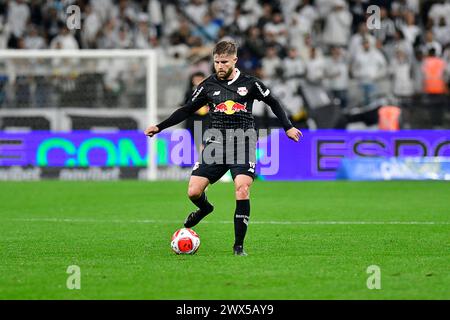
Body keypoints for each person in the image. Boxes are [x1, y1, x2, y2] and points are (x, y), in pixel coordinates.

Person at [144, 40, 302, 256]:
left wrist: (288, 127)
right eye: (216, 61)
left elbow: (273, 102)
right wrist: (159, 127)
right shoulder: (207, 86)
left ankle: (238, 246)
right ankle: (205, 208)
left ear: (234, 60)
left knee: (242, 188)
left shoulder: (250, 83)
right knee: (193, 191)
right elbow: (186, 110)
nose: (219, 66)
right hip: (215, 144)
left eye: (224, 62)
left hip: (243, 142)